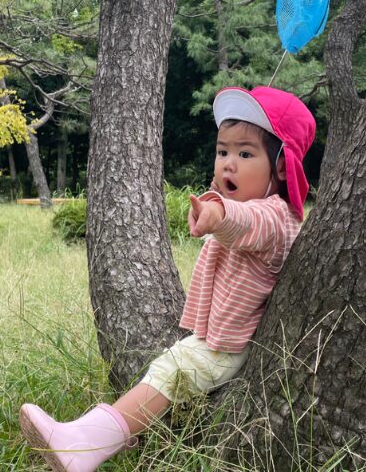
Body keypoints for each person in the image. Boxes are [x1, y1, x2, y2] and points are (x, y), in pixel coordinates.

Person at [19, 86, 316, 472]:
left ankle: (84, 445)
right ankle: (102, 436)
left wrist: (219, 217)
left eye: (246, 154)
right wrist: (215, 207)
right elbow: (227, 208)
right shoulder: (246, 203)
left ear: (281, 167)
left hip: (228, 347)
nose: (229, 163)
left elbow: (246, 224)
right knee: (165, 371)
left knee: (169, 374)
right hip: (217, 339)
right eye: (223, 151)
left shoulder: (275, 216)